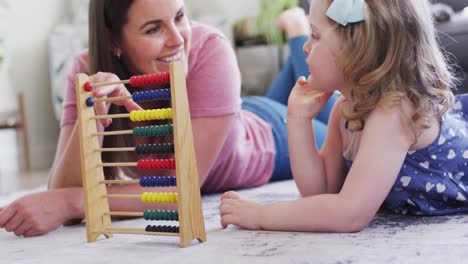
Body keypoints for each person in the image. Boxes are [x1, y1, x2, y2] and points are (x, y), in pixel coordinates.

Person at [0, 0, 336, 237]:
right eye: (153, 29)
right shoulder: (86, 71)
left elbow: (182, 188)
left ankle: (297, 31)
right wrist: (93, 117)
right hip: (226, 116)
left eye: (179, 16)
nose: (178, 40)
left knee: (322, 98)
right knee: (297, 87)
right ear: (114, 40)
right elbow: (59, 190)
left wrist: (74, 203)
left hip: (271, 139)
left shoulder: (210, 49)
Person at [220, 0, 468, 232]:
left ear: (360, 51)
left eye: (315, 35)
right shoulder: (343, 111)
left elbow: (350, 214)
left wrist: (262, 216)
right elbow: (321, 191)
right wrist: (298, 121)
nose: (305, 47)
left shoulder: (392, 113)